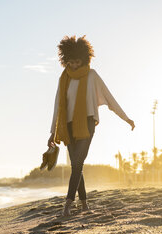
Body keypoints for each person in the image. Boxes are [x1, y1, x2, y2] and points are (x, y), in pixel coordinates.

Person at [47, 35, 135, 217]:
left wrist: (126, 118)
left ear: (85, 59)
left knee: (78, 162)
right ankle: (85, 204)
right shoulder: (64, 78)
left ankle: (68, 204)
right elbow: (57, 105)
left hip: (87, 123)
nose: (74, 65)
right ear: (65, 60)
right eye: (70, 62)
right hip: (68, 126)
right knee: (76, 166)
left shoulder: (92, 76)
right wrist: (52, 132)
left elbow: (110, 98)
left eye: (77, 61)